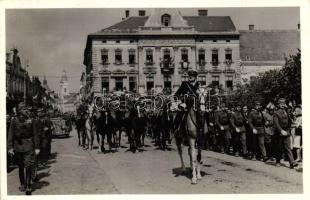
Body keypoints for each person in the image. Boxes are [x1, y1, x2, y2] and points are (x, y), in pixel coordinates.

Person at [7, 102, 40, 195]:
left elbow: (35, 134)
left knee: (28, 165)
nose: (27, 111)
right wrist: (10, 147)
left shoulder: (31, 120)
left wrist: (37, 147)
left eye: (27, 109)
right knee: (20, 166)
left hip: (29, 145)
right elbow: (10, 135)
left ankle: (28, 186)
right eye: (25, 109)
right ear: (20, 110)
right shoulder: (14, 120)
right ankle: (22, 184)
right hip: (18, 146)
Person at [273, 98, 298, 168]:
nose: (282, 105)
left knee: (288, 147)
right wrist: (280, 130)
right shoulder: (276, 112)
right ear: (278, 104)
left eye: (283, 103)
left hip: (287, 131)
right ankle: (278, 161)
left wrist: (290, 113)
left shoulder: (287, 111)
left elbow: (291, 120)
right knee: (279, 147)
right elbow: (276, 123)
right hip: (279, 132)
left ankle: (292, 162)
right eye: (280, 103)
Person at [173, 69, 200, 133]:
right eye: (190, 75)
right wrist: (180, 102)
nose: (190, 77)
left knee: (204, 115)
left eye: (192, 76)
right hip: (185, 105)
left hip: (196, 105)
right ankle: (176, 129)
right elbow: (176, 95)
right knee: (180, 114)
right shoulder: (184, 84)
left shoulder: (198, 85)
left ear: (195, 77)